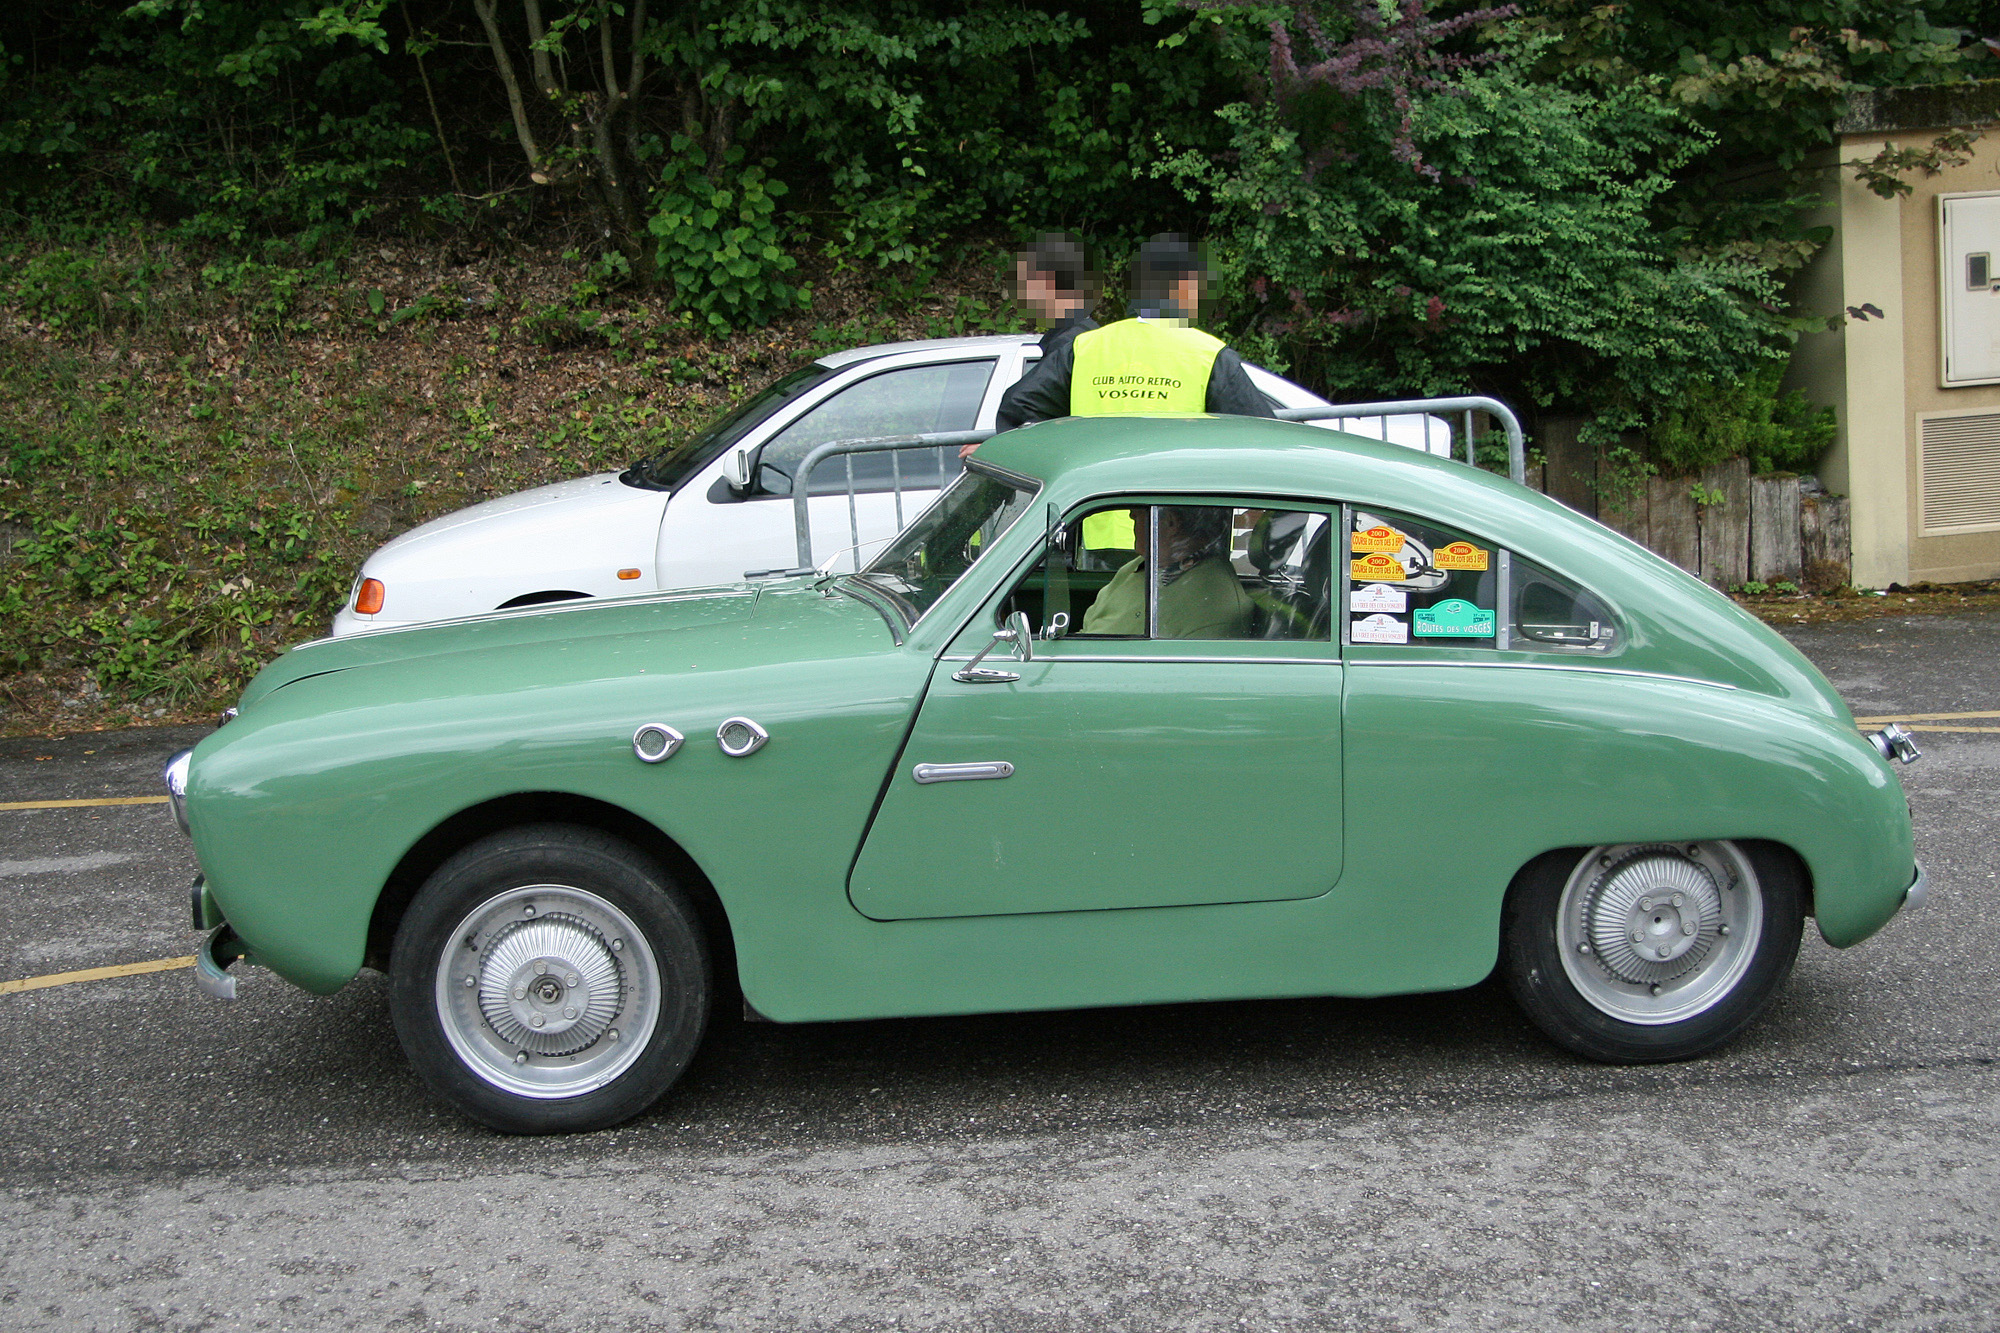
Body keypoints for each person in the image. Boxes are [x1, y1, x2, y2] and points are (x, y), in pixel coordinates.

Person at [994, 233, 1276, 433]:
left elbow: (1019, 409)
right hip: (1176, 513)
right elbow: (1263, 436)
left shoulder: (1084, 347)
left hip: (1092, 513)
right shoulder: (1208, 355)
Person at [1078, 505, 1252, 640]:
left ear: (1171, 522)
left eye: (1138, 513)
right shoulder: (1142, 565)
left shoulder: (1214, 608)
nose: (1131, 516)